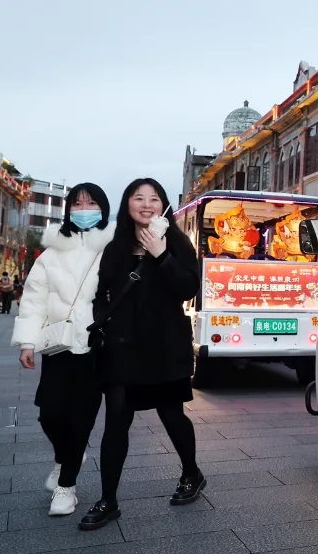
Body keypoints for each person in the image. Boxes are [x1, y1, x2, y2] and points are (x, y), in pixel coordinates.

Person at [79, 179, 204, 531]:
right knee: (116, 420)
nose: (147, 204)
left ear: (163, 205)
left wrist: (161, 254)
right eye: (139, 198)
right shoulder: (115, 246)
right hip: (122, 348)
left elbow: (188, 288)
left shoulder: (177, 243)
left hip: (165, 347)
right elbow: (101, 293)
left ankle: (191, 473)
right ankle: (108, 500)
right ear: (128, 204)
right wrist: (103, 320)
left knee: (171, 414)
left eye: (154, 198)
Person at [11, 183, 112, 516]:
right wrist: (28, 342)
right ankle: (68, 456)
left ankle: (66, 487)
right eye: (77, 204)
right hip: (58, 345)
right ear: (68, 210)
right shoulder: (52, 253)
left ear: (103, 209)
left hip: (96, 347)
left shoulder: (114, 249)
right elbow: (34, 299)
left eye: (91, 203)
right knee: (50, 413)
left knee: (81, 417)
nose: (84, 209)